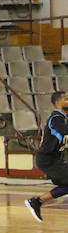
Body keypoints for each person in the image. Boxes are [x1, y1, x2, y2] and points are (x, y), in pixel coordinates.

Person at [25, 91, 68, 222]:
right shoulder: (55, 118)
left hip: (54, 159)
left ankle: (37, 201)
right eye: (66, 98)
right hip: (46, 159)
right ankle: (36, 201)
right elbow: (63, 131)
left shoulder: (64, 119)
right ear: (57, 103)